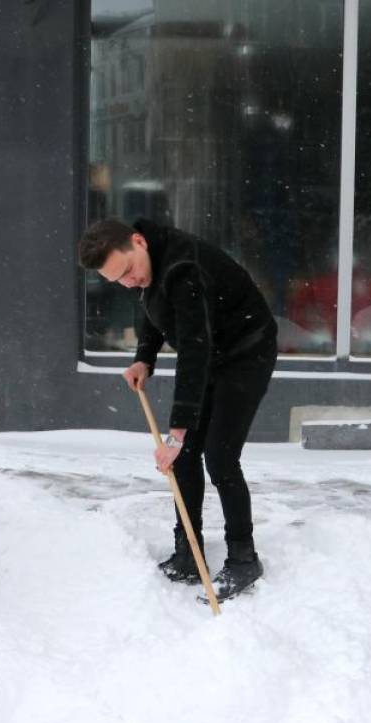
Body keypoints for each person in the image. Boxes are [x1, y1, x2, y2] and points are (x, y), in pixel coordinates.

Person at [78, 217, 278, 601]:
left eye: (128, 271)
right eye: (117, 280)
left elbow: (194, 350)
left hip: (246, 351)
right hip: (211, 350)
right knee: (184, 457)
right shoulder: (146, 261)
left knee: (219, 456)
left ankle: (243, 558)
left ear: (138, 242)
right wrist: (144, 359)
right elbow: (153, 303)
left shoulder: (184, 271)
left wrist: (178, 431)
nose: (128, 282)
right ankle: (189, 552)